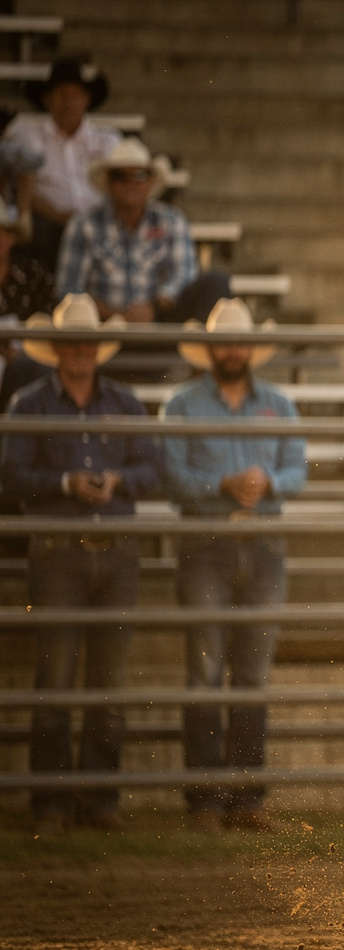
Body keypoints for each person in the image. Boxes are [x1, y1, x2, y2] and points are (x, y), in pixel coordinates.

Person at [0, 294, 157, 835]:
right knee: (58, 681)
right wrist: (66, 484)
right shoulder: (28, 404)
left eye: (89, 341)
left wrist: (119, 482)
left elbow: (151, 467)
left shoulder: (124, 403)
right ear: (59, 348)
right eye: (74, 342)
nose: (83, 350)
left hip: (112, 552)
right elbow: (10, 477)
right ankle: (52, 803)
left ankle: (96, 799)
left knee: (106, 683)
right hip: (58, 553)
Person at [163, 299, 306, 833]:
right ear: (210, 350)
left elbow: (296, 468)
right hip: (207, 542)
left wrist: (267, 483)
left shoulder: (278, 404)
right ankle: (205, 799)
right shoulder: (181, 405)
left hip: (262, 542)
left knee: (250, 672)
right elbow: (171, 476)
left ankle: (245, 797)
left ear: (249, 349)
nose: (232, 350)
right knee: (206, 668)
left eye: (239, 342)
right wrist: (219, 487)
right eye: (225, 342)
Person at [56, 139, 230, 332]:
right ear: (109, 182)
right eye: (120, 176)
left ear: (150, 181)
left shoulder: (172, 221)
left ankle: (205, 358)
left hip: (159, 322)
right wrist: (116, 316)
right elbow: (68, 290)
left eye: (139, 175)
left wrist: (153, 307)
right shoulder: (83, 225)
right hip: (101, 330)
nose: (130, 183)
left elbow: (184, 276)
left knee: (215, 283)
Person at [0, 57, 121, 266]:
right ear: (47, 99)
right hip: (47, 224)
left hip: (99, 224)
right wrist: (57, 215)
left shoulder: (107, 140)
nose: (68, 102)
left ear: (87, 99)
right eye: (61, 95)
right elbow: (21, 184)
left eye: (75, 95)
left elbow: (119, 187)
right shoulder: (27, 134)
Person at [0, 199, 58, 412]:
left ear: (12, 236)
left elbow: (50, 322)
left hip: (28, 364)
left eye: (2, 232)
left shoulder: (34, 274)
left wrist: (23, 351)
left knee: (34, 368)